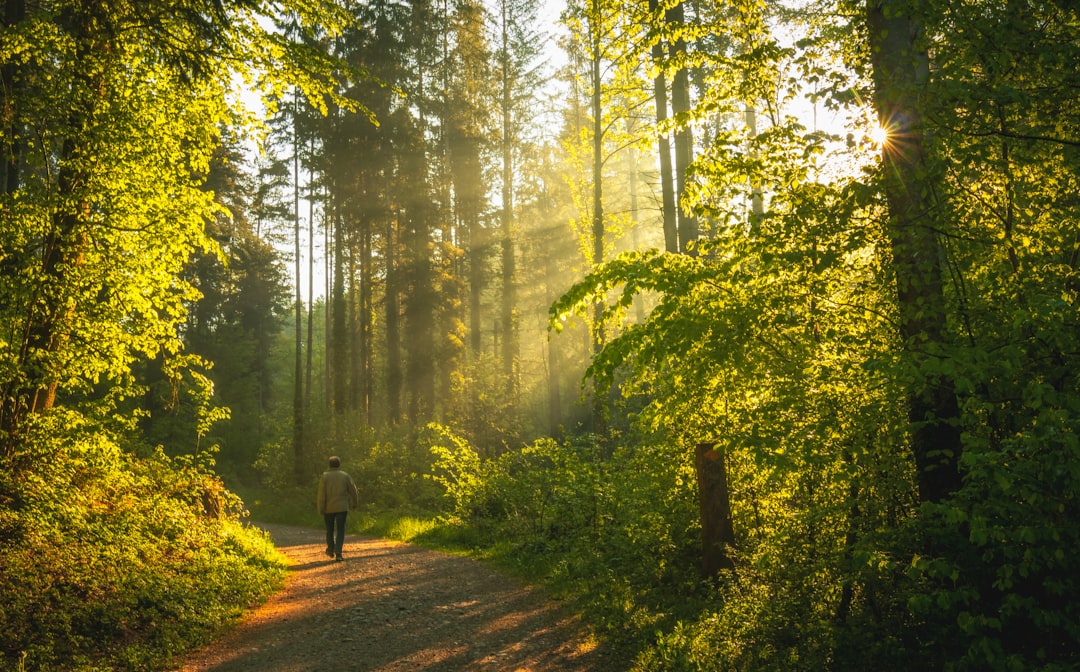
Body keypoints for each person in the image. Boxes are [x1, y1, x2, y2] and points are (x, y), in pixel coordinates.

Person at [316, 456, 359, 562]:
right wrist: (355, 502)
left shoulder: (325, 476)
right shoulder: (345, 476)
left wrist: (321, 507)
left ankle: (330, 549)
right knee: (341, 530)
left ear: (329, 465)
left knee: (329, 530)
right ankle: (338, 553)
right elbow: (353, 490)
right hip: (342, 507)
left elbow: (321, 494)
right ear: (339, 464)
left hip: (328, 508)